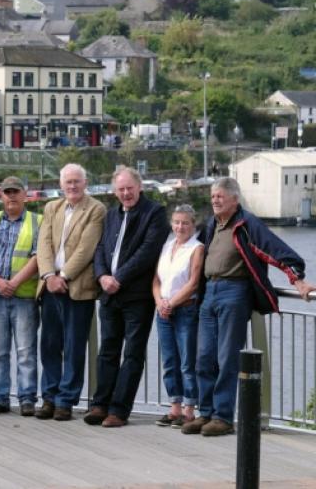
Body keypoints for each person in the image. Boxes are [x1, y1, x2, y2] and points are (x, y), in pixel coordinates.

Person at [182, 178, 316, 436]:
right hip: (209, 292)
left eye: (220, 196)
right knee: (204, 357)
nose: (215, 200)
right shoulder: (212, 224)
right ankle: (205, 413)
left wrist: (297, 280)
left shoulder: (247, 224)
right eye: (213, 196)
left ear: (235, 199)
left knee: (226, 357)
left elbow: (278, 251)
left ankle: (222, 417)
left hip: (234, 292)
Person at [86, 166, 168, 427]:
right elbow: (100, 249)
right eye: (120, 189)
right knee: (107, 351)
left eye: (129, 188)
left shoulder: (154, 214)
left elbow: (148, 251)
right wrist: (102, 277)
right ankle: (100, 404)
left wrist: (118, 278)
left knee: (132, 353)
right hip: (109, 295)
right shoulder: (110, 216)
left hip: (136, 296)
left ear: (139, 187)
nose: (125, 193)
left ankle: (119, 410)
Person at [35, 164, 105, 421]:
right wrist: (48, 276)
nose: (72, 186)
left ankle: (66, 400)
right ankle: (49, 397)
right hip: (50, 286)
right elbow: (43, 244)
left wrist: (62, 276)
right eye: (68, 182)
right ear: (61, 184)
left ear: (85, 183)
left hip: (77, 288)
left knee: (74, 346)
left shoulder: (95, 210)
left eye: (77, 182)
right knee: (50, 345)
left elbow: (86, 249)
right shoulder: (51, 207)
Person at [0, 176, 42, 416]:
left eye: (16, 192)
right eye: (7, 192)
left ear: (25, 195)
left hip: (24, 297)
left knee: (26, 351)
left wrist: (13, 283)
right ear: (1, 196)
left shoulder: (37, 221)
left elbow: (38, 256)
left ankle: (27, 398)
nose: (11, 196)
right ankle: (0, 397)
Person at [152, 204, 203, 428]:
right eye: (176, 222)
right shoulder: (166, 246)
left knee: (186, 361)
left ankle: (189, 409)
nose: (180, 227)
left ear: (193, 225)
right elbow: (156, 280)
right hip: (163, 310)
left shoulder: (197, 248)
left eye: (185, 223)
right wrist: (159, 302)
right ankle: (174, 407)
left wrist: (171, 303)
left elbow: (193, 283)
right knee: (170, 361)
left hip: (185, 309)